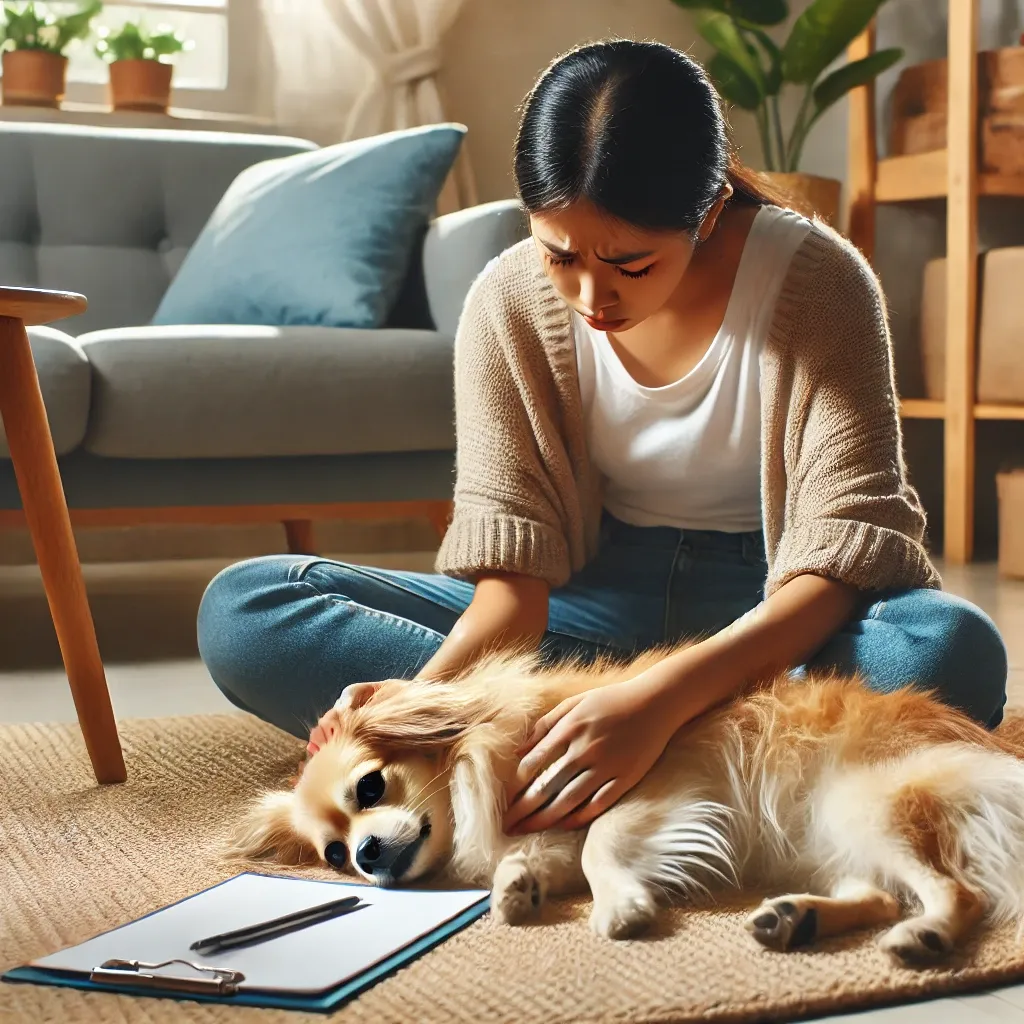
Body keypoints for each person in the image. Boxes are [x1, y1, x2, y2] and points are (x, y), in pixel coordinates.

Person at [198, 39, 1007, 839]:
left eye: (630, 263)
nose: (592, 294)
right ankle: (691, 750)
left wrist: (657, 698)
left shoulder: (819, 283)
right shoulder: (507, 303)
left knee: (946, 652)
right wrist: (413, 710)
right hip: (589, 611)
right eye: (560, 255)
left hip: (779, 608)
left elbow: (838, 563)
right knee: (247, 610)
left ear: (710, 211)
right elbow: (512, 593)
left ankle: (604, 739)